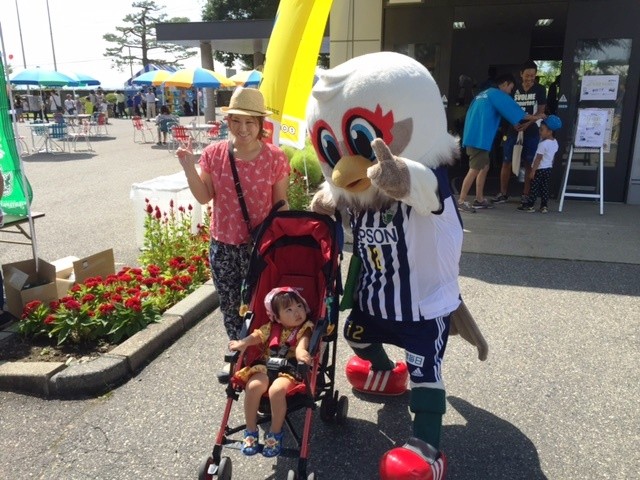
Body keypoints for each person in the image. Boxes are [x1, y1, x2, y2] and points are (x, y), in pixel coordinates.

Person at [176, 87, 290, 372]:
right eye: (236, 120)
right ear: (228, 121)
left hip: (261, 246)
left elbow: (281, 205)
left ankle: (261, 356)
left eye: (250, 121)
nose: (243, 128)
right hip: (223, 245)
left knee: (261, 303)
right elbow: (204, 197)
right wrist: (188, 166)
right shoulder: (214, 154)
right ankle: (239, 356)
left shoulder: (275, 157)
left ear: (261, 124)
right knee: (229, 305)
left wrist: (284, 242)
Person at [228, 287, 314, 458]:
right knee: (253, 386)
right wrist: (243, 343)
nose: (297, 312)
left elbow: (303, 344)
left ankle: (275, 433)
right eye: (289, 310)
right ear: (277, 317)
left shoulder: (305, 328)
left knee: (276, 390)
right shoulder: (271, 327)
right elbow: (257, 336)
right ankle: (250, 430)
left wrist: (301, 352)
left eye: (299, 306)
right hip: (266, 364)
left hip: (290, 368)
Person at [458, 73, 543, 213]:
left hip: (473, 137)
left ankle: (479, 199)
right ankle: (461, 201)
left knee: (484, 167)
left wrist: (515, 122)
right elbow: (516, 111)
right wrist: (537, 117)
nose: (510, 92)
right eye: (510, 88)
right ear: (504, 84)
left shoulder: (483, 94)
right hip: (479, 140)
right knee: (474, 169)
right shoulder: (496, 94)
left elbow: (504, 112)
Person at [493, 60, 547, 206]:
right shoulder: (514, 88)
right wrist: (514, 123)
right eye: (527, 75)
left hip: (532, 130)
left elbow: (541, 111)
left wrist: (528, 123)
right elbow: (506, 108)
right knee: (506, 161)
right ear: (521, 74)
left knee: (529, 162)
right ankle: (503, 193)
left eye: (532, 76)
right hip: (513, 129)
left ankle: (526, 194)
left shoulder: (540, 89)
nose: (530, 78)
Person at [517, 115, 562, 213]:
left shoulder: (543, 144)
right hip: (548, 168)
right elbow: (553, 157)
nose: (539, 131)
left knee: (534, 188)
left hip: (539, 169)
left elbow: (538, 158)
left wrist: (533, 171)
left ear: (550, 131)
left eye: (542, 130)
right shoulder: (555, 142)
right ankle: (544, 206)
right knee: (544, 187)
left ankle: (530, 206)